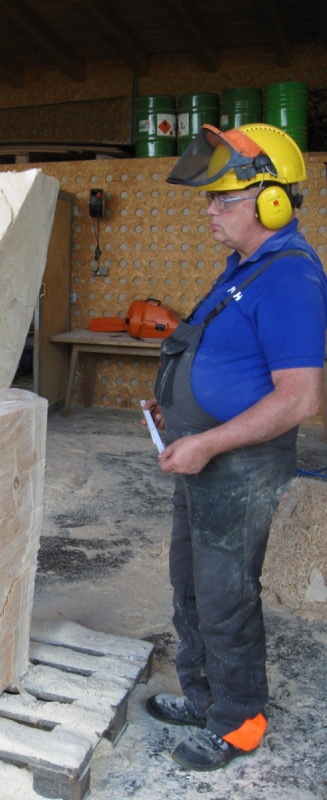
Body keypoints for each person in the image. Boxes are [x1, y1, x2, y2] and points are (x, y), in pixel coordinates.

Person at [142, 122, 327, 772]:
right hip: (204, 460)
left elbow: (300, 398)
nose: (210, 210)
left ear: (272, 202)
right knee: (190, 587)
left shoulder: (290, 279)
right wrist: (175, 404)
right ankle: (205, 699)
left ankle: (240, 720)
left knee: (225, 597)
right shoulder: (243, 270)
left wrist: (208, 440)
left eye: (224, 198)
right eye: (210, 197)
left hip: (239, 469)